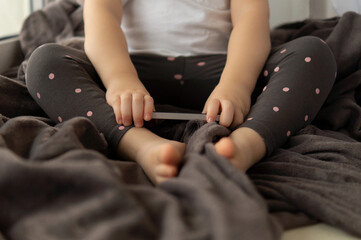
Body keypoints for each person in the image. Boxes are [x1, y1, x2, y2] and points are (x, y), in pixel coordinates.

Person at [25, 0, 337, 185]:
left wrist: (237, 85)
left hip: (221, 74)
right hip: (137, 74)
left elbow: (250, 21)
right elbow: (102, 16)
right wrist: (120, 79)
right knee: (45, 63)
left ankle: (246, 145)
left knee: (314, 54)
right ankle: (141, 146)